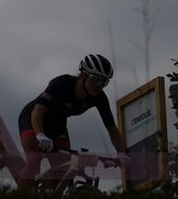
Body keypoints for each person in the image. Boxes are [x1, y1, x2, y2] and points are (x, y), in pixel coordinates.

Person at [17, 54, 130, 190]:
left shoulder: (99, 98)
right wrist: (40, 135)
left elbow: (112, 128)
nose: (99, 86)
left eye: (104, 82)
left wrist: (122, 153)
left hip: (58, 125)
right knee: (35, 158)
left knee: (64, 170)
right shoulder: (62, 83)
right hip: (33, 118)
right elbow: (38, 111)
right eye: (95, 80)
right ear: (83, 75)